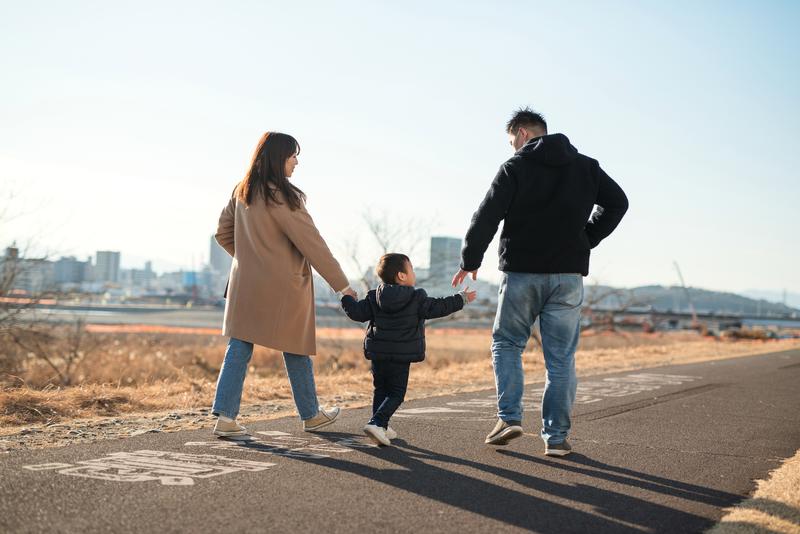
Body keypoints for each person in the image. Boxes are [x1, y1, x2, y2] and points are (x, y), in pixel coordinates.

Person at [452, 108, 628, 456]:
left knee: (507, 343)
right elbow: (618, 203)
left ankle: (509, 418)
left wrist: (470, 260)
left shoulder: (515, 166)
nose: (512, 148)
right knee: (560, 358)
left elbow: (486, 215)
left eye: (511, 142)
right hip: (568, 275)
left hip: (522, 272)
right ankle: (556, 438)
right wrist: (586, 239)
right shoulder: (586, 167)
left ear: (522, 134)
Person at [211, 131, 357, 438]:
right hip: (284, 288)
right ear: (280, 158)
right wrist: (342, 286)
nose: (296, 163)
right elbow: (312, 244)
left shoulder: (242, 190)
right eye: (293, 156)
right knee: (296, 347)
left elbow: (223, 234)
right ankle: (311, 415)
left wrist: (252, 260)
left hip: (246, 285)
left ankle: (225, 417)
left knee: (239, 345)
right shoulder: (284, 196)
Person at [341, 253, 476, 446]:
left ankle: (381, 426)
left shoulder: (374, 296)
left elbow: (356, 313)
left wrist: (347, 299)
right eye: (411, 269)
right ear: (402, 276)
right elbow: (439, 307)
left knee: (381, 389)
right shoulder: (416, 298)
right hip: (401, 356)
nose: (414, 273)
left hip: (378, 353)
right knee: (396, 393)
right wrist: (461, 299)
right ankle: (377, 423)